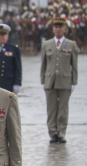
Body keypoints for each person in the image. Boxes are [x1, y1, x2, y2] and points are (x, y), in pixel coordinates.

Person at [40, 16, 79, 144]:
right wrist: (42, 80)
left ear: (65, 29)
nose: (58, 29)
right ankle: (53, 133)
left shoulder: (71, 44)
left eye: (60, 27)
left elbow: (74, 65)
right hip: (50, 81)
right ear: (53, 29)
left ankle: (61, 133)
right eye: (56, 27)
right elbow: (43, 65)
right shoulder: (47, 44)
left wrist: (74, 82)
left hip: (65, 81)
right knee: (51, 109)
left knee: (63, 109)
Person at [0, 24, 22, 94]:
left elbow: (18, 68)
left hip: (8, 84)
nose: (0, 37)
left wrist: (17, 83)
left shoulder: (13, 49)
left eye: (3, 35)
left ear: (7, 35)